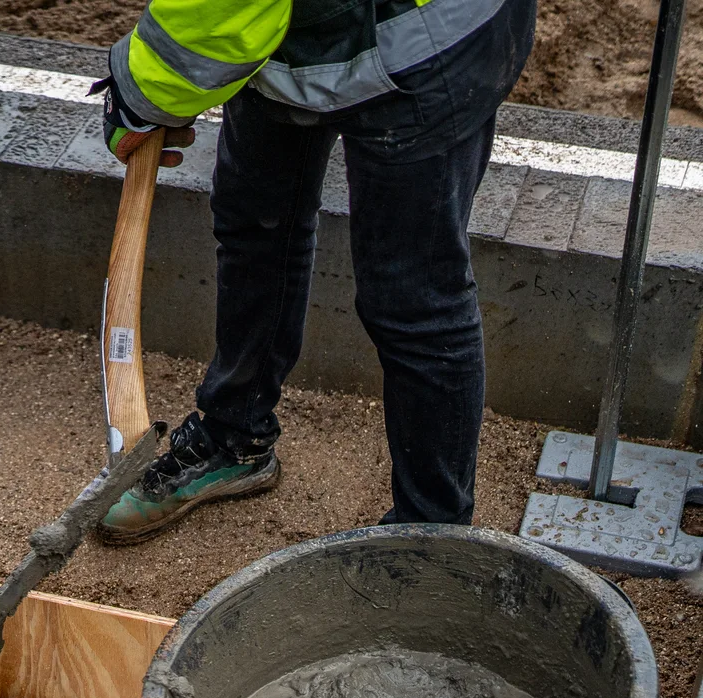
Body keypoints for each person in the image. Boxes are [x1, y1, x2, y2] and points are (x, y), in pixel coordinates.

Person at [93, 0, 537, 545]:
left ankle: (430, 544)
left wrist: (147, 92)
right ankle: (237, 438)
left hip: (425, 39)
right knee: (257, 225)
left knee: (415, 298)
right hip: (284, 40)